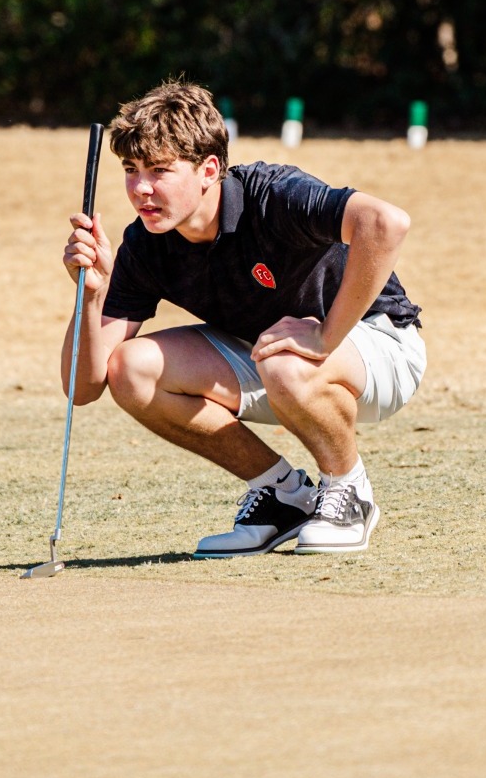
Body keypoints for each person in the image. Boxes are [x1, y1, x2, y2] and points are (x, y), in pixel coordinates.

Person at [59, 80, 426, 556]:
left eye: (159, 170)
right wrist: (91, 297)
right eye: (131, 170)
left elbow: (385, 223)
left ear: (209, 169)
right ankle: (282, 496)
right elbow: (83, 388)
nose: (140, 188)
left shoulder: (273, 195)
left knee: (284, 359)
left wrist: (325, 336)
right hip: (275, 362)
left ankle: (348, 489)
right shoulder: (146, 244)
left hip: (380, 344)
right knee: (131, 368)